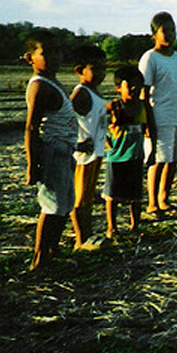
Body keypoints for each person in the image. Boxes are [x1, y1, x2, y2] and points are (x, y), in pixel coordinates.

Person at [24, 30, 78, 270]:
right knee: (52, 206)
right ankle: (39, 258)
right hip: (52, 152)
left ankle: (53, 251)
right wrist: (32, 164)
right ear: (30, 58)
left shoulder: (54, 83)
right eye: (46, 53)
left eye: (58, 51)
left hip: (65, 151)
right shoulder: (40, 86)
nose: (55, 57)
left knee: (64, 205)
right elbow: (31, 128)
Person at [138, 12, 177, 215]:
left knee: (173, 161)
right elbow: (143, 93)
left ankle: (164, 198)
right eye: (165, 31)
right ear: (154, 34)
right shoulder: (150, 58)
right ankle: (152, 202)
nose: (169, 34)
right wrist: (145, 122)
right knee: (159, 161)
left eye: (173, 30)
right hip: (159, 117)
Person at [104, 67, 155, 239]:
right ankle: (112, 227)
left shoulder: (143, 107)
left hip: (136, 156)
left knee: (135, 195)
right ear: (119, 88)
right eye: (130, 86)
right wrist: (105, 142)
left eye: (138, 86)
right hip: (116, 157)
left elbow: (151, 128)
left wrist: (153, 150)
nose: (134, 89)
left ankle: (135, 226)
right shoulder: (114, 106)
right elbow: (98, 123)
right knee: (112, 195)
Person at [70, 44, 108, 250]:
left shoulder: (95, 93)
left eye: (104, 69)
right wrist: (76, 143)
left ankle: (88, 234)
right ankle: (80, 239)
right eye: (96, 69)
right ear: (79, 70)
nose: (101, 74)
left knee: (88, 198)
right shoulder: (81, 93)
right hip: (82, 156)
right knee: (80, 198)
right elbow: (65, 118)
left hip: (95, 154)